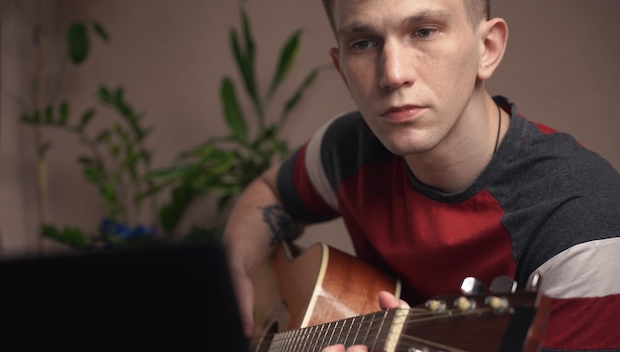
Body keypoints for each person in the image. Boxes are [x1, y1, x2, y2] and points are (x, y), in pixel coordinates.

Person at [223, 0, 620, 351]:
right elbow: (269, 190)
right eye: (362, 42)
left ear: (488, 48)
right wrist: (236, 268)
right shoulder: (349, 150)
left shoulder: (580, 227)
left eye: (424, 31)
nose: (393, 75)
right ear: (341, 69)